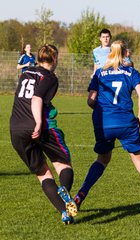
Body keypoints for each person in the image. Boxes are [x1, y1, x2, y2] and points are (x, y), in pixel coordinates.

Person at [73, 40, 140, 216]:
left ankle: (80, 194)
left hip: (103, 123)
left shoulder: (99, 73)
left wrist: (100, 108)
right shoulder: (130, 71)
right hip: (125, 122)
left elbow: (91, 100)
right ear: (125, 53)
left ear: (110, 53)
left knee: (102, 160)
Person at [10, 44, 77, 225]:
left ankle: (64, 212)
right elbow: (37, 98)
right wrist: (38, 122)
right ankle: (64, 190)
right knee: (63, 165)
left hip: (16, 129)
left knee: (42, 174)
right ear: (54, 59)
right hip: (40, 127)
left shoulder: (25, 74)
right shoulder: (50, 77)